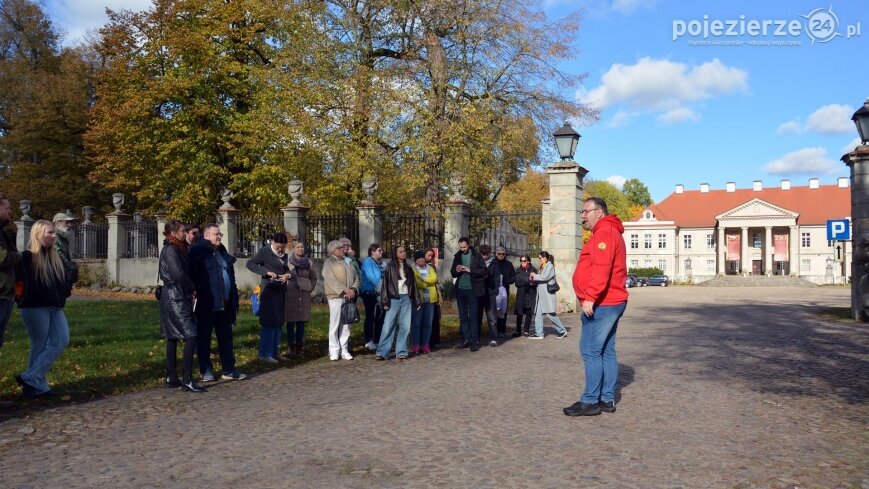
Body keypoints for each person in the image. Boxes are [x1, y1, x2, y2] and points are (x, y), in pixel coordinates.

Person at [564, 197, 628, 417]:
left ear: (599, 212)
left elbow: (602, 268)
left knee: (591, 350)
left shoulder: (605, 233)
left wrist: (590, 297)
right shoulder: (607, 232)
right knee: (606, 351)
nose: (582, 216)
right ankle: (606, 398)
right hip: (610, 301)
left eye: (585, 211)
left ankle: (591, 401)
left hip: (604, 302)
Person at [13, 220, 73, 398]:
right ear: (38, 234)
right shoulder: (27, 257)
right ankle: (37, 385)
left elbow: (61, 283)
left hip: (54, 306)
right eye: (50, 233)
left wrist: (65, 289)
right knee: (39, 344)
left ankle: (30, 378)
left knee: (61, 340)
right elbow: (21, 284)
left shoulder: (54, 257)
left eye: (54, 233)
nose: (54, 236)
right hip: (34, 306)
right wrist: (36, 295)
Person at [189, 224, 247, 382]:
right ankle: (206, 370)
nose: (220, 236)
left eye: (220, 234)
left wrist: (233, 292)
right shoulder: (197, 252)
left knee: (226, 338)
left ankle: (229, 369)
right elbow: (191, 276)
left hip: (224, 303)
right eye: (217, 234)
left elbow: (229, 274)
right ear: (207, 235)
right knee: (204, 338)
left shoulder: (222, 252)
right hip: (207, 303)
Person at [158, 220, 205, 392]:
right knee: (190, 334)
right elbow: (178, 273)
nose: (185, 233)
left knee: (173, 336)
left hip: (173, 294)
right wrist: (192, 288)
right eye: (182, 231)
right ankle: (187, 379)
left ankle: (172, 376)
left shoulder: (177, 247)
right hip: (175, 296)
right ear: (173, 233)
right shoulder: (171, 249)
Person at [246, 232, 291, 363]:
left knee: (278, 323)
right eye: (278, 247)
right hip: (269, 291)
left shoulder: (285, 255)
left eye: (283, 247)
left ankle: (275, 353)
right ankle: (265, 354)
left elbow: (288, 269)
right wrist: (266, 272)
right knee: (269, 323)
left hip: (280, 291)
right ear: (273, 243)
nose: (280, 249)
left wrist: (287, 276)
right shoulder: (265, 251)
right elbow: (250, 264)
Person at [376, 245, 417, 361]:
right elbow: (385, 284)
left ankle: (402, 351)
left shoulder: (408, 268)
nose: (404, 253)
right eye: (401, 252)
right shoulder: (390, 267)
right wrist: (384, 300)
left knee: (405, 326)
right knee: (388, 325)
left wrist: (417, 301)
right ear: (396, 254)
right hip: (393, 298)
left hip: (406, 299)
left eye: (404, 251)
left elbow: (413, 285)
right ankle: (382, 352)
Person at [450, 237, 488, 352]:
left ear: (469, 245)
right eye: (461, 247)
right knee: (463, 317)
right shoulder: (457, 256)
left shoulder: (476, 255)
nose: (463, 249)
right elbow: (452, 273)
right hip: (460, 290)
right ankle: (466, 339)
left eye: (464, 247)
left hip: (472, 290)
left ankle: (475, 340)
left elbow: (484, 271)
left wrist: (469, 270)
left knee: (473, 316)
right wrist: (456, 270)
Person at [323, 239, 359, 360]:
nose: (342, 250)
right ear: (332, 250)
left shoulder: (346, 262)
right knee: (335, 323)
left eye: (342, 248)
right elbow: (330, 279)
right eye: (339, 248)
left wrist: (353, 289)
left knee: (346, 324)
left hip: (348, 297)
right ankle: (333, 350)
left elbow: (356, 277)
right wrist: (344, 290)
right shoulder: (329, 262)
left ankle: (344, 349)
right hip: (335, 296)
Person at [285, 240, 316, 356]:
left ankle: (300, 347)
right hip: (291, 295)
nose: (300, 249)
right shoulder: (288, 262)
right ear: (293, 249)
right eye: (298, 247)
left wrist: (311, 287)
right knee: (291, 323)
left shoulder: (309, 263)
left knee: (301, 323)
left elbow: (314, 277)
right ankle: (291, 347)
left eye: (302, 247)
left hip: (304, 295)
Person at [528, 251, 568, 339]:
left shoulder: (550, 266)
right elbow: (541, 278)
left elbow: (545, 277)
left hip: (547, 295)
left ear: (545, 258)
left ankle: (562, 330)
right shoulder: (542, 266)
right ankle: (539, 333)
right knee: (538, 314)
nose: (539, 260)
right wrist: (533, 279)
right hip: (541, 295)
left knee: (550, 314)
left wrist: (534, 275)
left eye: (540, 258)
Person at [0, 195, 21, 348]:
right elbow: (2, 259)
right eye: (8, 208)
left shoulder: (2, 232)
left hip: (5, 295)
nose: (11, 211)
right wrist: (19, 255)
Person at [483, 245, 515, 346]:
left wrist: (507, 281)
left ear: (505, 255)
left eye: (503, 254)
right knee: (493, 310)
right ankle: (494, 331)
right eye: (499, 254)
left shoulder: (509, 264)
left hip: (504, 289)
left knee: (503, 310)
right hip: (493, 289)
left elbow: (514, 276)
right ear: (496, 254)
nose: (501, 255)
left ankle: (502, 330)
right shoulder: (493, 263)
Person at [411, 249, 438, 355]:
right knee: (416, 324)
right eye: (419, 258)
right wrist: (426, 282)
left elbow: (434, 279)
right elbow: (417, 283)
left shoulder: (430, 268)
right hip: (418, 301)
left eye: (423, 258)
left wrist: (424, 280)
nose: (422, 259)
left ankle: (425, 344)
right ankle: (416, 345)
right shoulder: (413, 270)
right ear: (415, 260)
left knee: (428, 324)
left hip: (430, 300)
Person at [360, 243, 386, 351]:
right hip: (370, 293)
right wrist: (382, 285)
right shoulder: (368, 262)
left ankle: (378, 340)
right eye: (379, 250)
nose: (381, 252)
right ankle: (368, 340)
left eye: (381, 250)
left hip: (381, 294)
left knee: (380, 318)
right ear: (372, 252)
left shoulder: (382, 263)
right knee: (370, 317)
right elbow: (372, 277)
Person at [513, 254, 537, 337]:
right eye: (521, 261)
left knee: (529, 312)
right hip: (521, 293)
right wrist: (528, 281)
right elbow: (517, 283)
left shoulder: (533, 270)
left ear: (528, 261)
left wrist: (531, 282)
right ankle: (518, 330)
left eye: (524, 261)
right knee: (519, 312)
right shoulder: (518, 270)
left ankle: (526, 330)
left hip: (530, 293)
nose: (522, 262)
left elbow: (536, 282)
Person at [424, 248, 441, 347]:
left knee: (434, 318)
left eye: (432, 256)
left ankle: (434, 340)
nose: (430, 258)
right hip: (425, 295)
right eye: (428, 256)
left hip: (433, 295)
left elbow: (435, 279)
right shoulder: (420, 266)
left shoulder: (432, 266)